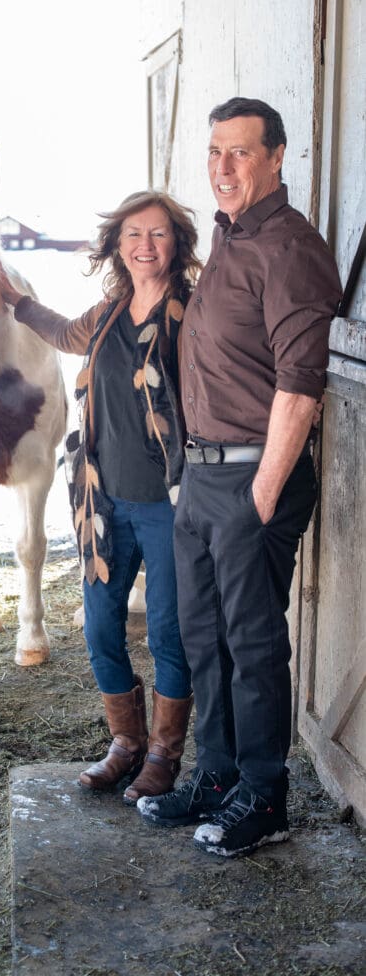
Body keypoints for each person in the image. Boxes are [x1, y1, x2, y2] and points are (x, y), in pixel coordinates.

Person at [137, 97, 342, 857]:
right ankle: (218, 776)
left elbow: (301, 382)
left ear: (278, 156)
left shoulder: (288, 247)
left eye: (240, 153)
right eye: (215, 151)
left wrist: (257, 498)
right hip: (204, 479)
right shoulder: (229, 238)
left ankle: (266, 794)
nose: (222, 168)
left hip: (256, 478)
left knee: (252, 644)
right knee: (204, 637)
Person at [0, 191, 200, 804]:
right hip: (102, 503)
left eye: (159, 234)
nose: (145, 244)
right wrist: (17, 304)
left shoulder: (189, 315)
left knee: (168, 634)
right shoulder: (111, 311)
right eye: (133, 233)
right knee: (100, 629)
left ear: (177, 244)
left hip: (166, 508)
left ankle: (164, 754)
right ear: (117, 244)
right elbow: (64, 334)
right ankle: (126, 743)